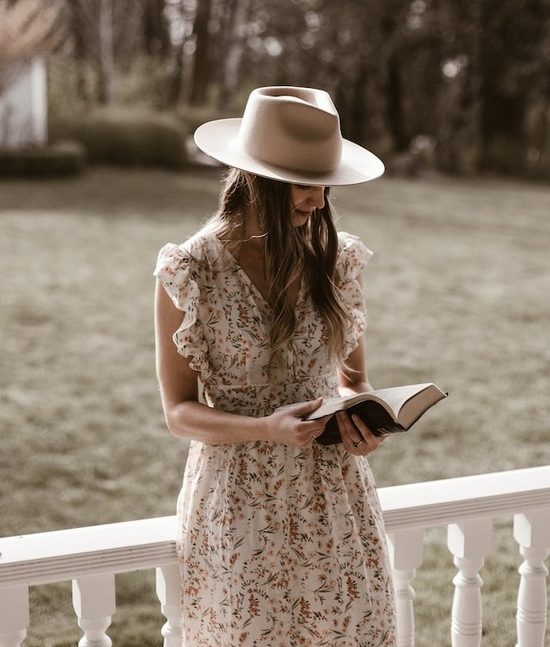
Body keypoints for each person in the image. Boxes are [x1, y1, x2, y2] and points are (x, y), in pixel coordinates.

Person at [154, 86, 396, 646]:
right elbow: (179, 414)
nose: (319, 201)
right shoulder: (190, 270)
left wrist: (363, 423)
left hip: (333, 498)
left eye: (324, 184)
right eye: (304, 185)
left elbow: (353, 379)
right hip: (239, 505)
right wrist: (267, 429)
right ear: (256, 180)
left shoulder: (338, 258)